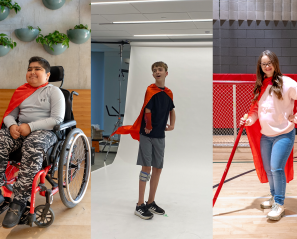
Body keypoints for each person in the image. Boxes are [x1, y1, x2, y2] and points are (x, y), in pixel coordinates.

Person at [0, 56, 65, 228]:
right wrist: (12, 125)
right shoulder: (21, 91)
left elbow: (57, 119)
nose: (32, 72)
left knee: (32, 146)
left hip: (46, 131)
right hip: (20, 129)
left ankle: (19, 203)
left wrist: (31, 126)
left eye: (37, 69)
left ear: (47, 75)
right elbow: (9, 115)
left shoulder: (54, 92)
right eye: (29, 69)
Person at [111, 61, 175, 220]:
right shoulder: (150, 90)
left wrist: (172, 125)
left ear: (166, 73)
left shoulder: (168, 93)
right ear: (153, 74)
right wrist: (148, 125)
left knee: (158, 168)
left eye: (160, 69)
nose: (157, 72)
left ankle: (151, 201)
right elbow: (147, 110)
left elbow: (172, 110)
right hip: (147, 135)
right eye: (154, 70)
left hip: (160, 135)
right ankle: (139, 204)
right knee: (146, 168)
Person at [240, 50, 296, 221]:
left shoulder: (287, 83)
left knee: (277, 169)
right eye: (263, 63)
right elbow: (256, 110)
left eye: (269, 62)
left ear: (275, 63)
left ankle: (279, 204)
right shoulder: (260, 85)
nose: (267, 66)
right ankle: (274, 197)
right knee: (270, 171)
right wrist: (250, 120)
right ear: (260, 67)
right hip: (266, 136)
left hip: (283, 134)